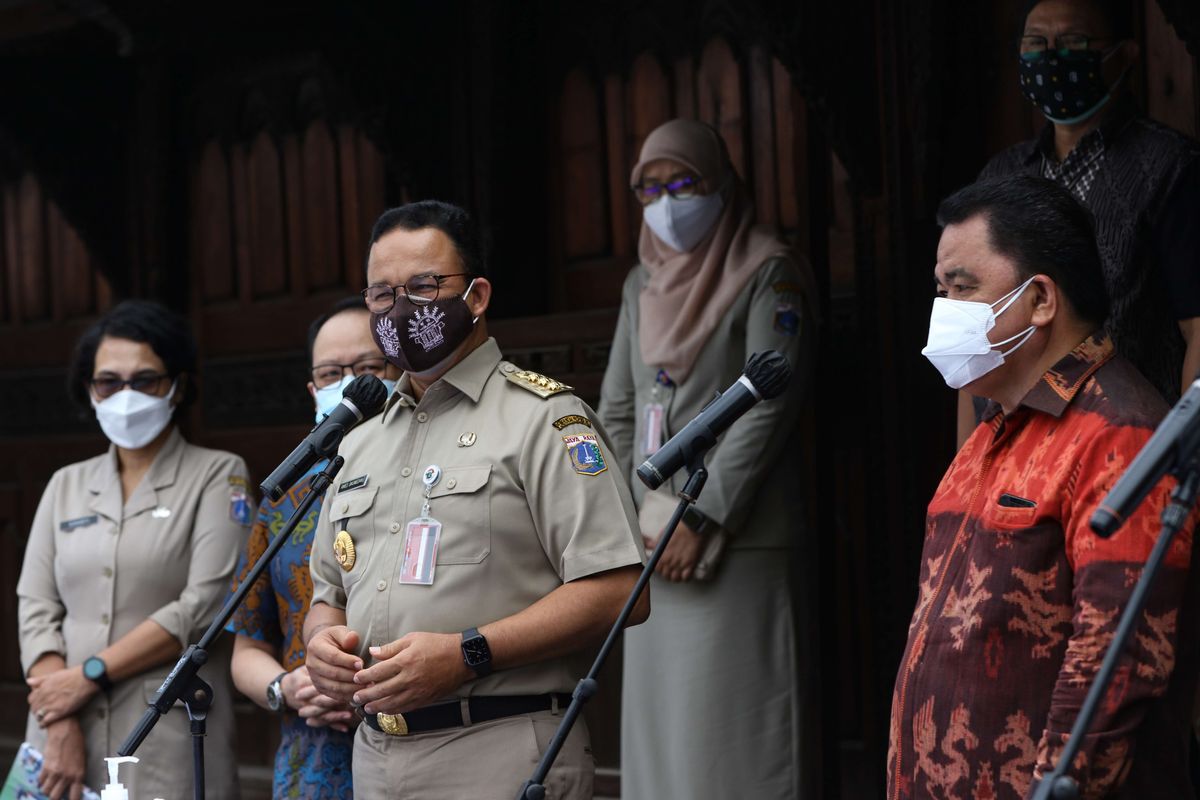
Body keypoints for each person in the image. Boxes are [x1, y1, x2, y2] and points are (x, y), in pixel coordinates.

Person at [303, 200, 648, 799]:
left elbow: (621, 589)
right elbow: (329, 594)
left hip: (500, 746)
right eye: (382, 296)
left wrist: (468, 654)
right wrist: (321, 644)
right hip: (376, 757)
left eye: (423, 286)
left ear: (478, 296)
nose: (400, 309)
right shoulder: (359, 441)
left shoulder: (543, 419)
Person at [890, 175, 1198, 799]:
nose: (943, 308)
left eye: (962, 287)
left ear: (1040, 302)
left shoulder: (1119, 433)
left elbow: (1118, 664)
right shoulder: (994, 427)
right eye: (940, 288)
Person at [598, 118, 818, 800]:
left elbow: (768, 408)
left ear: (721, 184)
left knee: (735, 737)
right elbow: (618, 411)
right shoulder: (643, 282)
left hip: (733, 538)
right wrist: (643, 515)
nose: (667, 202)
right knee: (664, 738)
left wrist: (701, 515)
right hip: (653, 541)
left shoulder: (769, 272)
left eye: (684, 183)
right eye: (650, 188)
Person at [18, 299, 248, 800]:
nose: (126, 394)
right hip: (61, 736)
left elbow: (202, 607)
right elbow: (35, 607)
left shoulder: (218, 474)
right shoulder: (65, 485)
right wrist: (59, 719)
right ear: (90, 390)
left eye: (145, 379)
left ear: (178, 385)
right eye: (109, 382)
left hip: (165, 729)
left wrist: (90, 675)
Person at [956, 0, 1200, 447]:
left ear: (1125, 55)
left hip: (1126, 451)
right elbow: (968, 336)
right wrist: (966, 477)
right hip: (1012, 455)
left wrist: (1181, 459)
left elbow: (1196, 328)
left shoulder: (1169, 168)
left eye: (1073, 42)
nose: (1050, 57)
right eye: (1035, 43)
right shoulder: (1001, 177)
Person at [226, 296, 400, 799]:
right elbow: (247, 647)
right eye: (330, 373)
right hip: (313, 758)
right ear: (312, 388)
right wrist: (288, 688)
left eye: (368, 367)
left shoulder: (431, 477)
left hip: (417, 743)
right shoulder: (288, 498)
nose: (348, 383)